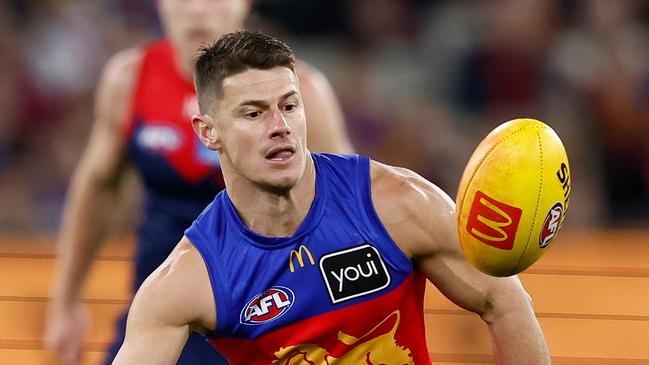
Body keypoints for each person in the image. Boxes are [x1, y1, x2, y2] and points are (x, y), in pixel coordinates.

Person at [114, 30, 550, 365]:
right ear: (208, 132)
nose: (280, 125)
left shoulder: (394, 202)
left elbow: (504, 301)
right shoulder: (189, 280)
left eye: (289, 105)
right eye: (254, 113)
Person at [44, 1, 353, 364]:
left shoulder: (299, 94)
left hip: (266, 318)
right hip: (161, 308)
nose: (197, 12)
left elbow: (347, 206)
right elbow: (99, 186)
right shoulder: (131, 79)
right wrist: (66, 299)